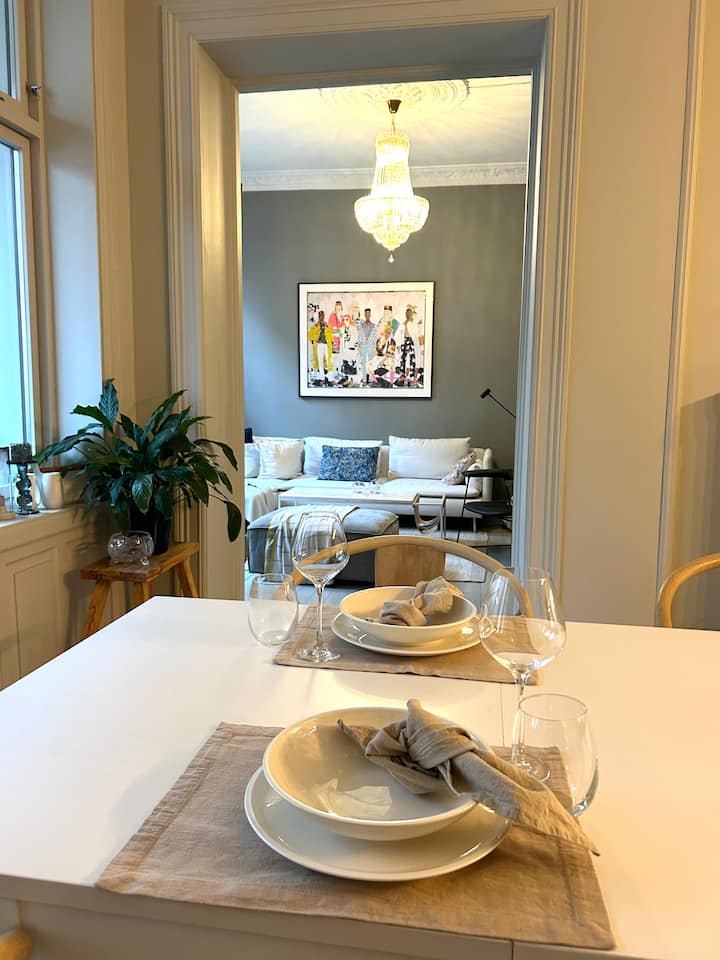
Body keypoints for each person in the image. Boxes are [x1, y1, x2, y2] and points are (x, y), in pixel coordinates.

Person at [397, 304, 421, 385]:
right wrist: (398, 345)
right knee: (402, 358)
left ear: (411, 314)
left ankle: (411, 376)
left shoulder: (413, 323)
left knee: (412, 359)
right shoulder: (403, 324)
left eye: (409, 313)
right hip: (404, 341)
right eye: (407, 313)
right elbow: (399, 334)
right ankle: (402, 375)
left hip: (411, 341)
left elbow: (416, 334)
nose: (408, 315)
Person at [307, 309, 333, 382]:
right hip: (319, 345)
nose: (321, 317)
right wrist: (314, 340)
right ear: (318, 316)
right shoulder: (315, 325)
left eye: (322, 315)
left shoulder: (327, 325)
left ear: (324, 316)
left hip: (326, 345)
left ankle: (330, 378)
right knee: (319, 360)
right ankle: (321, 378)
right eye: (320, 316)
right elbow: (310, 335)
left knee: (329, 360)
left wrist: (331, 342)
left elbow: (331, 334)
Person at [356, 307, 377, 386]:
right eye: (366, 314)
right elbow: (359, 337)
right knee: (364, 364)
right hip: (363, 346)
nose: (367, 315)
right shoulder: (361, 326)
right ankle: (364, 380)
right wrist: (359, 347)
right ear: (364, 315)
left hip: (371, 346)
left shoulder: (373, 326)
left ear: (370, 315)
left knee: (371, 364)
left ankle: (371, 379)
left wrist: (375, 348)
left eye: (368, 314)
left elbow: (375, 338)